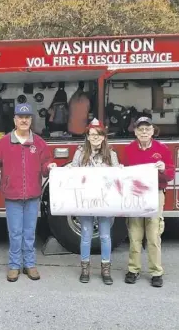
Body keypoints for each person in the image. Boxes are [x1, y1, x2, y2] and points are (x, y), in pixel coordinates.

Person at [0, 103, 57, 282]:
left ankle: (30, 264)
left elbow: (44, 166)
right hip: (12, 195)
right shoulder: (4, 142)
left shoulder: (39, 142)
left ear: (31, 120)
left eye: (27, 117)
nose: (24, 120)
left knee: (30, 232)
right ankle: (14, 265)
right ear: (15, 120)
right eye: (20, 117)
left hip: (33, 195)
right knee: (15, 232)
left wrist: (49, 167)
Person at [123, 117, 175, 287]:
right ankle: (133, 269)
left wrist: (163, 169)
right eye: (140, 129)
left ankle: (156, 272)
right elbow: (124, 174)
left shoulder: (162, 149)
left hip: (155, 194)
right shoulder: (129, 149)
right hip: (136, 195)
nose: (144, 132)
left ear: (153, 131)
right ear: (135, 132)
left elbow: (170, 174)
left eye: (147, 129)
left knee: (153, 234)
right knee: (135, 233)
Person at [70, 118, 120, 285]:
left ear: (104, 137)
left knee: (105, 236)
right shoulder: (80, 153)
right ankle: (85, 268)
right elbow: (73, 174)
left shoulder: (111, 154)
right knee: (86, 235)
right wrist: (66, 169)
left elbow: (116, 178)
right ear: (88, 136)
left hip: (104, 202)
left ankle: (106, 269)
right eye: (92, 135)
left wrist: (118, 170)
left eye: (98, 135)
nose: (95, 138)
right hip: (86, 201)